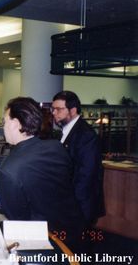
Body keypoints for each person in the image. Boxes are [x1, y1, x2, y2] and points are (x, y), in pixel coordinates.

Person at [0, 97, 85, 253]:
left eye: (5, 122)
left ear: (16, 124)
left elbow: (17, 219)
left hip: (42, 243)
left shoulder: (8, 170)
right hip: (73, 231)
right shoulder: (56, 147)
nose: (3, 127)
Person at [52, 90, 105, 225]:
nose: (54, 113)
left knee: (79, 244)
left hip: (80, 205)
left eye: (59, 109)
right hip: (67, 203)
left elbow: (86, 175)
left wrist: (71, 206)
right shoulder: (63, 131)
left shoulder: (86, 135)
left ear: (73, 110)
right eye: (53, 109)